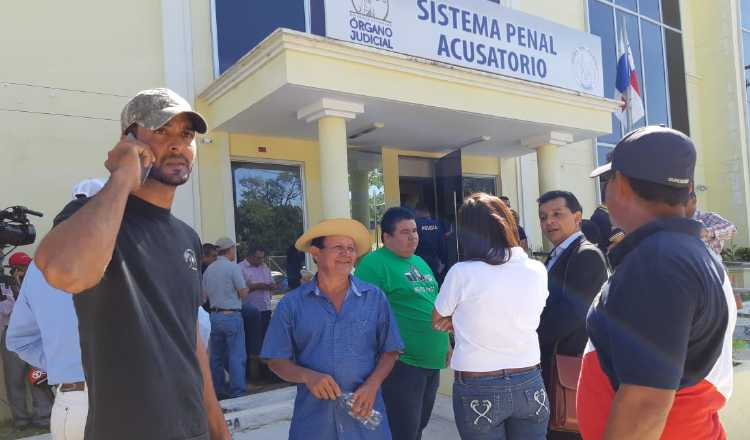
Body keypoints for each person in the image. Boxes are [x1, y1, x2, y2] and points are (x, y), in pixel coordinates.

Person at [34, 88, 230, 440]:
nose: (176, 144)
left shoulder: (187, 237)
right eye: (161, 131)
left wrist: (219, 429)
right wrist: (123, 176)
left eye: (186, 134)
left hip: (192, 430)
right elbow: (66, 272)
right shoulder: (90, 217)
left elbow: (190, 340)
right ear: (129, 140)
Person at [581, 126, 736, 440]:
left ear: (620, 183)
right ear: (687, 188)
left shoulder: (658, 261)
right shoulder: (685, 251)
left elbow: (645, 406)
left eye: (607, 181)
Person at [261, 218, 404, 440]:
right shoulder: (291, 304)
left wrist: (372, 385)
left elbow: (391, 349)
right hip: (313, 425)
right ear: (316, 253)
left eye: (351, 249)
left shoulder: (374, 298)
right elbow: (275, 360)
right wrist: (307, 376)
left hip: (366, 420)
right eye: (339, 248)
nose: (347, 254)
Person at [433, 193, 549, 439]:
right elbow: (526, 314)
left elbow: (437, 318)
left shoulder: (462, 273)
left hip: (478, 383)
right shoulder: (537, 270)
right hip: (529, 379)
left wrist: (462, 322)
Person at [5, 179, 103, 440]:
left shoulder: (38, 268)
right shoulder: (128, 257)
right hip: (122, 397)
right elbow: (197, 325)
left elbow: (18, 340)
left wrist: (63, 363)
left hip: (70, 403)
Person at [355, 207, 450, 440]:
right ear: (386, 237)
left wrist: (446, 342)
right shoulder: (373, 265)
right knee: (403, 431)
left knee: (418, 427)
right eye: (405, 232)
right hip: (402, 364)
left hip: (431, 361)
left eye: (415, 231)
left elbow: (433, 304)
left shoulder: (420, 262)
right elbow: (361, 314)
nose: (413, 236)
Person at [537, 190, 608, 440]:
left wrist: (526, 338)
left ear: (577, 217)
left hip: (569, 371)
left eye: (557, 214)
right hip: (551, 367)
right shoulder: (556, 255)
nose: (549, 222)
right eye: (543, 217)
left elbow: (571, 315)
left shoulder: (586, 255)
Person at [0, 252, 52, 431]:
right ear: (15, 269)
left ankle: (44, 417)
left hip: (35, 335)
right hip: (11, 336)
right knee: (14, 380)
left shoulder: (36, 284)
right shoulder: (5, 284)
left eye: (28, 266)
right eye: (23, 267)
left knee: (38, 378)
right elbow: (6, 311)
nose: (27, 270)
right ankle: (20, 419)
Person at [204, 236, 249, 399]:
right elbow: (243, 293)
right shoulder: (232, 268)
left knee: (216, 357)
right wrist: (247, 286)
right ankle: (238, 392)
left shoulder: (209, 269)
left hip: (214, 316)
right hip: (231, 315)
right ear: (230, 250)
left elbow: (204, 296)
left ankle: (220, 391)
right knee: (236, 355)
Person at [238, 244, 275, 381]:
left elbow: (271, 283)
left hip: (265, 308)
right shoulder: (240, 268)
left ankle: (266, 373)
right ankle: (253, 375)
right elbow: (240, 290)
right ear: (250, 256)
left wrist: (271, 286)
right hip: (250, 310)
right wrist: (255, 287)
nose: (261, 261)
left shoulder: (265, 267)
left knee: (266, 342)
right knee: (253, 343)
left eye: (262, 258)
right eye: (258, 258)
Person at [685, 191, 737, 258]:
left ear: (693, 201)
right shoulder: (674, 222)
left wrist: (706, 232)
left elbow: (732, 229)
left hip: (710, 263)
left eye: (683, 202)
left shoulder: (707, 217)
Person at [413, 203, 446, 280]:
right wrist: (443, 262)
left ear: (417, 212)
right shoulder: (437, 224)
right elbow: (442, 245)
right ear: (427, 212)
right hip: (435, 262)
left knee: (422, 284)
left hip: (419, 262)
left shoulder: (415, 225)